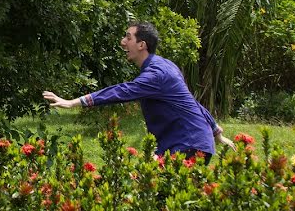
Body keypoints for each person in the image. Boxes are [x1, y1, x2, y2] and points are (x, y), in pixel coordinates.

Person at [42, 21, 232, 163]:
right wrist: (216, 131)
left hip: (187, 144)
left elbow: (122, 91)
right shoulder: (166, 66)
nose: (122, 42)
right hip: (191, 142)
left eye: (128, 37)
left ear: (142, 45)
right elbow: (190, 102)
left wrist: (73, 102)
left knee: (163, 201)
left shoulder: (156, 75)